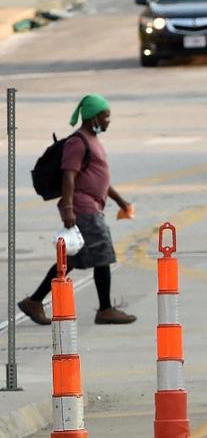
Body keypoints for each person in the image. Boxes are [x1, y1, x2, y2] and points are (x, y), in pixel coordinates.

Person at [18, 94, 137, 327]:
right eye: (106, 116)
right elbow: (69, 176)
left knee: (70, 260)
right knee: (102, 255)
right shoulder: (77, 142)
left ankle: (34, 301)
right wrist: (70, 208)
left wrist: (121, 202)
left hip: (92, 206)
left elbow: (99, 178)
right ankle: (105, 309)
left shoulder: (92, 140)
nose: (108, 120)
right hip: (83, 208)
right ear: (93, 117)